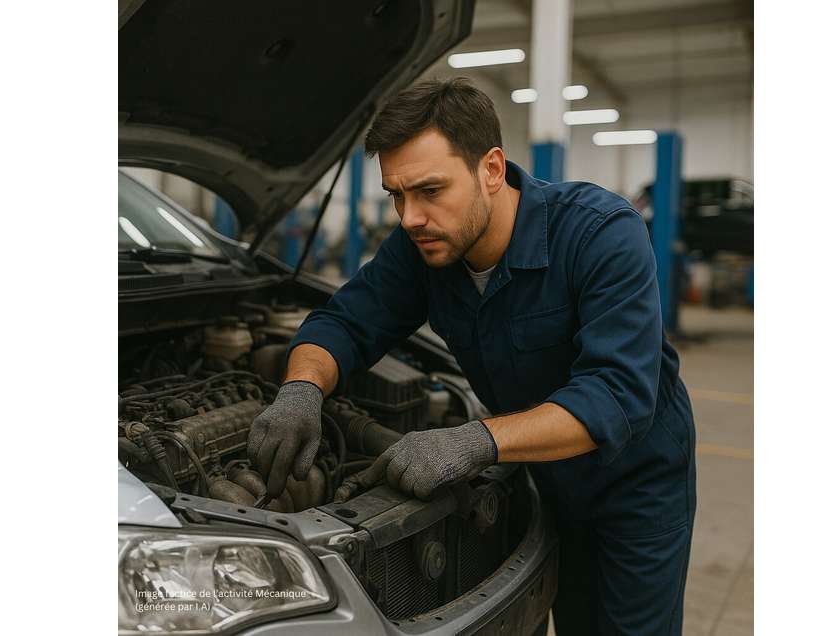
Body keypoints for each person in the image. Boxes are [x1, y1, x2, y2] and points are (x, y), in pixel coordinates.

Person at [247, 77, 697, 635]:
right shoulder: (424, 246)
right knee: (576, 619)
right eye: (397, 195)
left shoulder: (600, 233)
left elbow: (617, 395)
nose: (410, 217)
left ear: (490, 168)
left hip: (635, 485)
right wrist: (302, 388)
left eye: (430, 191)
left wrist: (476, 440)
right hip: (546, 474)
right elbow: (343, 321)